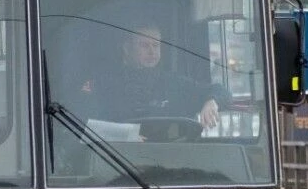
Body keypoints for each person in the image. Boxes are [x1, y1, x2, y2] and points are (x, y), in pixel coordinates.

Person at [82, 25, 224, 133]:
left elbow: (219, 90)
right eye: (144, 45)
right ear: (127, 48)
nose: (152, 51)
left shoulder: (173, 83)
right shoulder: (104, 84)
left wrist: (212, 101)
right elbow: (88, 126)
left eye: (156, 45)